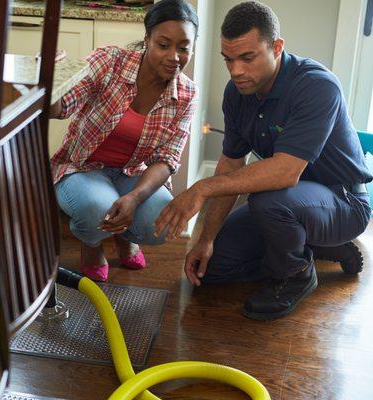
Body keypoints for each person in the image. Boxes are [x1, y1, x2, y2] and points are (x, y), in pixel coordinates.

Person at [154, 1, 372, 320]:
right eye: (228, 59)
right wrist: (207, 239)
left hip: (343, 202)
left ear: (277, 47)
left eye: (247, 57)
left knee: (268, 199)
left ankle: (296, 273)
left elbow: (284, 173)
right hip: (291, 203)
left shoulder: (316, 86)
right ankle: (312, 247)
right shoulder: (237, 93)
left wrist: (201, 188)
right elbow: (231, 163)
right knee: (210, 269)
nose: (236, 70)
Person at [50, 0, 199, 282]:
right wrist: (51, 77)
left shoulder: (187, 93)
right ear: (147, 40)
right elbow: (60, 108)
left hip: (132, 174)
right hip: (83, 168)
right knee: (97, 208)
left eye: (183, 47)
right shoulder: (110, 62)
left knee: (163, 223)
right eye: (163, 44)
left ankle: (123, 235)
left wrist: (134, 197)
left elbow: (168, 158)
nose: (174, 56)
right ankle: (92, 244)